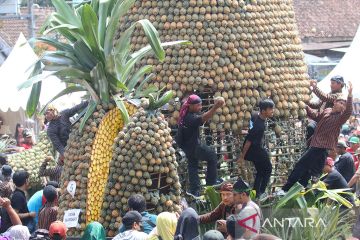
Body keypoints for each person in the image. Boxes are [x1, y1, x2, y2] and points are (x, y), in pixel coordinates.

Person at [279, 82, 353, 194]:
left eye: (344, 104)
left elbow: (348, 111)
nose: (342, 105)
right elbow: (315, 116)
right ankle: (302, 190)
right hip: (316, 145)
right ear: (334, 102)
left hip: (320, 147)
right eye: (340, 103)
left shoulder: (340, 119)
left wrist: (350, 95)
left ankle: (285, 189)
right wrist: (305, 106)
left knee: (301, 165)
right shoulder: (327, 111)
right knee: (311, 171)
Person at [176, 94, 224, 196]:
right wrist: (215, 106)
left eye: (201, 105)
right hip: (194, 147)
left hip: (187, 148)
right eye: (198, 105)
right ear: (191, 106)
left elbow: (201, 116)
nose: (200, 107)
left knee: (192, 165)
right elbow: (204, 117)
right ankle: (211, 182)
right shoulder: (189, 118)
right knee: (212, 156)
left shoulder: (185, 114)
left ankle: (195, 190)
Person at [237, 99, 275, 199]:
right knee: (268, 169)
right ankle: (261, 191)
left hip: (254, 150)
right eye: (270, 109)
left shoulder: (254, 115)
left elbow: (250, 130)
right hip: (255, 151)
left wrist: (248, 131)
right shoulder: (259, 126)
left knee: (260, 171)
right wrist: (242, 156)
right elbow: (249, 141)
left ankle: (255, 193)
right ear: (263, 111)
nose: (272, 111)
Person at [306, 76, 345, 144]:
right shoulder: (330, 94)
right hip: (321, 119)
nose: (331, 85)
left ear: (340, 85)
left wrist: (315, 87)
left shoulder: (340, 96)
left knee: (313, 132)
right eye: (331, 83)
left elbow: (325, 97)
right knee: (310, 130)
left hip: (329, 123)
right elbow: (317, 105)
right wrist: (307, 102)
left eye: (333, 83)